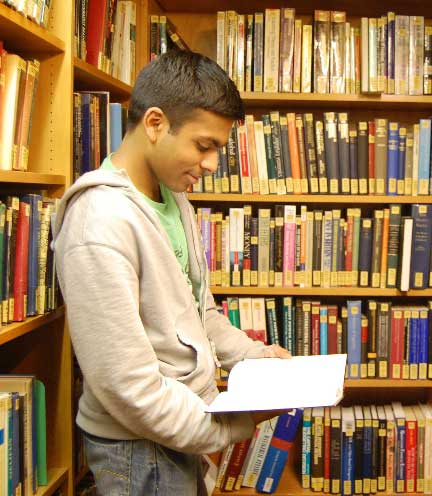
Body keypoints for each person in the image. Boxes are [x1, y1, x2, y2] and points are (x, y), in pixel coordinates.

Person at [52, 50, 290, 495]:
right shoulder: (99, 222)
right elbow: (127, 389)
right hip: (139, 449)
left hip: (182, 428)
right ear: (156, 124)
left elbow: (197, 312)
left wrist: (254, 358)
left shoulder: (171, 195)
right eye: (205, 146)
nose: (213, 164)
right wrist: (230, 424)